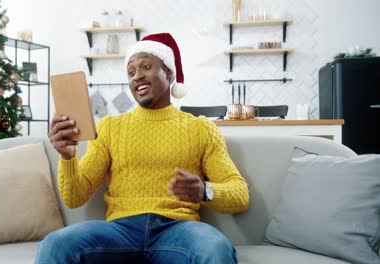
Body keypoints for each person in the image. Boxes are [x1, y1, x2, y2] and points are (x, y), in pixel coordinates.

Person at [36, 33, 249, 264]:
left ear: (168, 72)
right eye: (131, 72)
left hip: (178, 231)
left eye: (146, 66)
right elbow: (75, 197)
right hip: (121, 232)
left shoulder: (201, 128)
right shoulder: (109, 127)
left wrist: (204, 191)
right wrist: (67, 157)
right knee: (55, 244)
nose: (137, 76)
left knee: (215, 248)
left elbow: (240, 195)